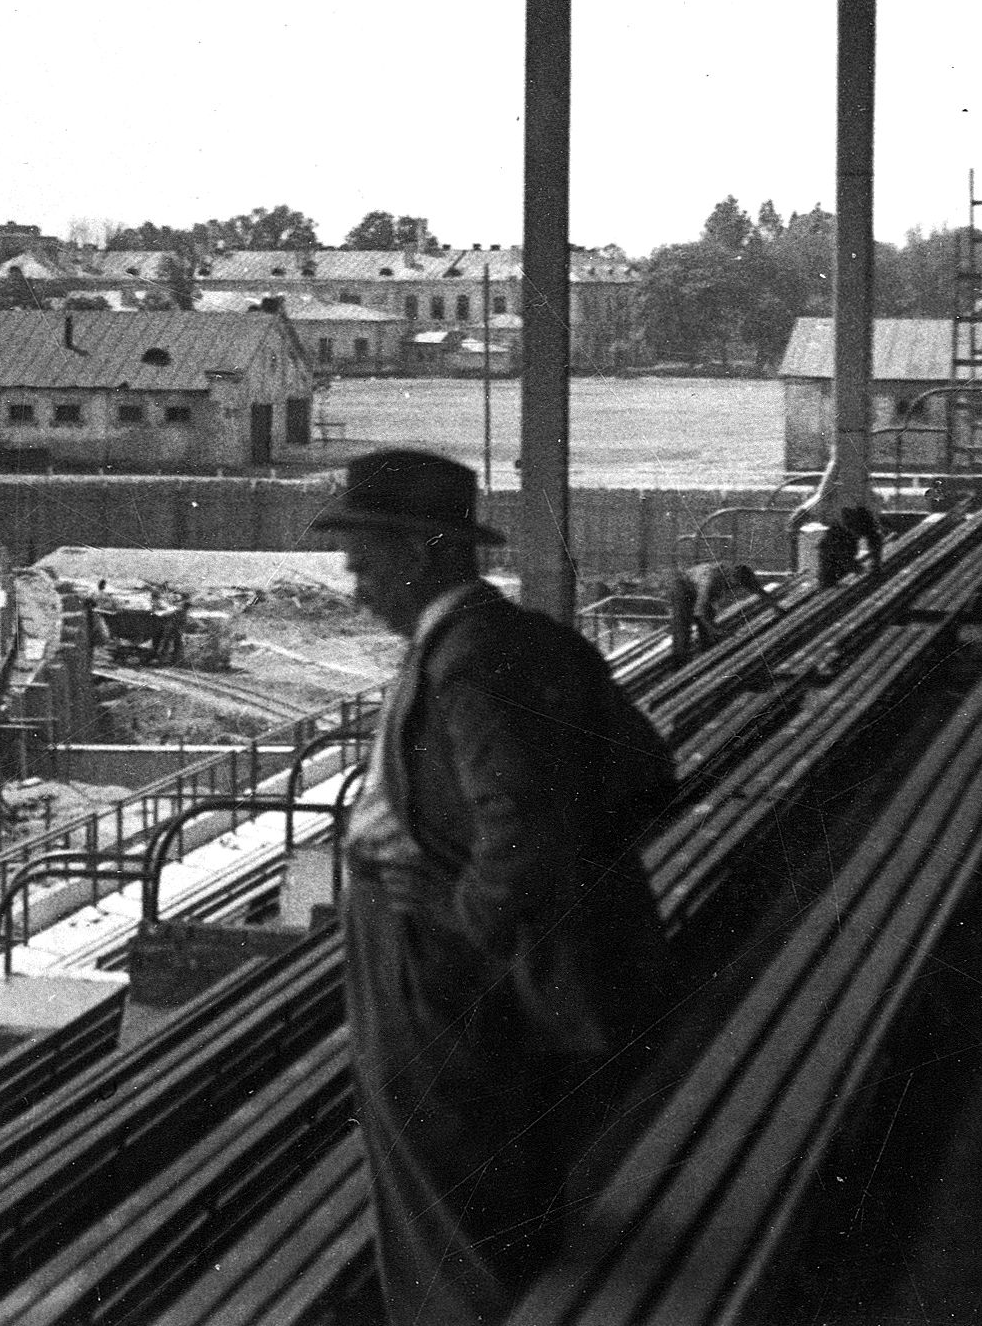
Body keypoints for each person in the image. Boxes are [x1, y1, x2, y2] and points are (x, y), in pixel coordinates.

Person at [312, 449, 677, 1323]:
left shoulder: (466, 660)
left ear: (419, 553)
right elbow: (645, 773)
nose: (355, 589)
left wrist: (456, 910)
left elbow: (522, 833)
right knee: (495, 1205)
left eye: (364, 565)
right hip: (482, 978)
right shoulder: (530, 639)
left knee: (448, 1230)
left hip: (436, 986)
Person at [665, 559, 776, 665]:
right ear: (731, 578)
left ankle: (706, 657)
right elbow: (699, 613)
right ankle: (680, 664)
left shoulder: (741, 574)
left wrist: (776, 607)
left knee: (707, 629)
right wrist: (716, 631)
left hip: (698, 588)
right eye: (735, 584)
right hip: (682, 587)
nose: (736, 587)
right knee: (683, 628)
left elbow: (758, 590)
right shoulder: (711, 580)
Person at [815, 502, 887, 587]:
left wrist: (876, 563)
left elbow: (875, 539)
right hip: (832, 566)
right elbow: (843, 559)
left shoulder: (865, 523)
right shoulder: (837, 533)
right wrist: (863, 570)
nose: (859, 534)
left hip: (845, 557)